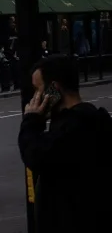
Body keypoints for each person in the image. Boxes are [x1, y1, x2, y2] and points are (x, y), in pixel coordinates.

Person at [19, 53, 112, 232]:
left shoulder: (75, 128)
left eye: (38, 89)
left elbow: (35, 154)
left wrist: (31, 121)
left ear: (54, 89)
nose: (35, 97)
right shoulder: (94, 120)